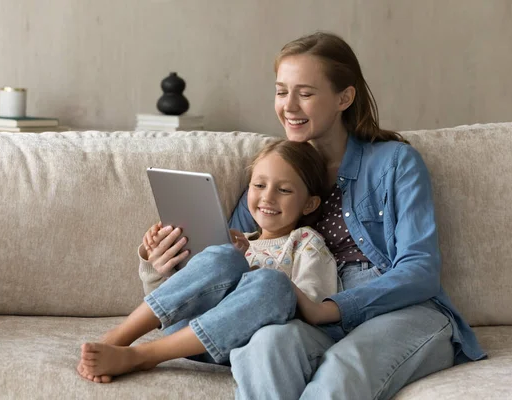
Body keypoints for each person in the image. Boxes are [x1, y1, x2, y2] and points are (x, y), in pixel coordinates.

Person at [142, 31, 486, 399]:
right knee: (264, 347)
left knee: (343, 368)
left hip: (401, 312)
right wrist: (165, 263)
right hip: (306, 316)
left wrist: (329, 308)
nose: (289, 106)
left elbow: (420, 270)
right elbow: (229, 265)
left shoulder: (395, 163)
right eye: (281, 91)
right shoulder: (273, 173)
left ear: (344, 97)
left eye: (305, 93)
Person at [76, 140, 338, 383]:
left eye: (284, 190)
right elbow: (178, 299)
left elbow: (313, 311)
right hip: (183, 334)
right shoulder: (235, 241)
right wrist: (157, 264)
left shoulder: (306, 242)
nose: (268, 197)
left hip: (244, 341)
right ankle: (119, 339)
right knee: (223, 256)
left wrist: (255, 275)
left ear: (310, 204)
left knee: (272, 283)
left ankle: (143, 356)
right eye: (259, 186)